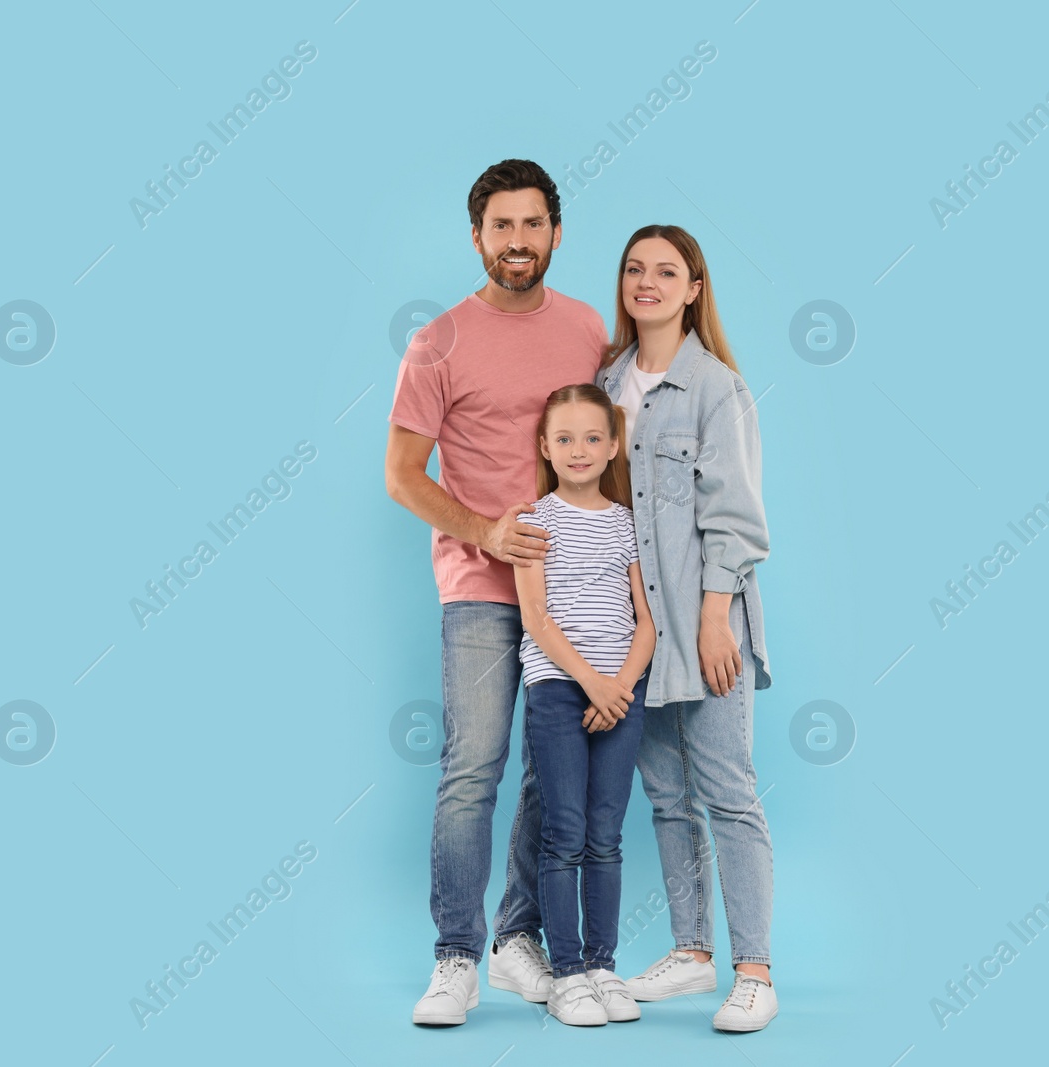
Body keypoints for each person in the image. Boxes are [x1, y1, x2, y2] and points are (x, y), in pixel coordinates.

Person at [385, 160, 608, 1026]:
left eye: (532, 224)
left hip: (579, 586)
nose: (518, 242)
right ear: (477, 236)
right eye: (501, 227)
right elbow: (403, 476)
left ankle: (519, 938)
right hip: (480, 584)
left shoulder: (589, 328)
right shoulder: (438, 341)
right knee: (472, 766)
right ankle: (454, 957)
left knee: (554, 773)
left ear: (556, 231)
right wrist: (484, 531)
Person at [595, 225, 779, 1032]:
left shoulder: (715, 388)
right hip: (640, 634)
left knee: (729, 792)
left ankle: (756, 971)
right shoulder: (605, 384)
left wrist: (714, 618)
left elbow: (734, 517)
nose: (648, 282)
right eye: (635, 269)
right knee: (666, 795)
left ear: (694, 287)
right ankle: (693, 952)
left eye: (666, 271)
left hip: (704, 622)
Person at [513, 384, 656, 1026]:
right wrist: (591, 685)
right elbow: (537, 619)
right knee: (563, 832)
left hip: (623, 692)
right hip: (558, 689)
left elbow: (646, 622)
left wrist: (619, 687)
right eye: (564, 438)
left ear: (614, 445)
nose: (579, 449)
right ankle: (566, 973)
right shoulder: (532, 521)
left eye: (593, 437)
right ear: (545, 447)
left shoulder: (629, 523)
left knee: (605, 835)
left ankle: (602, 966)